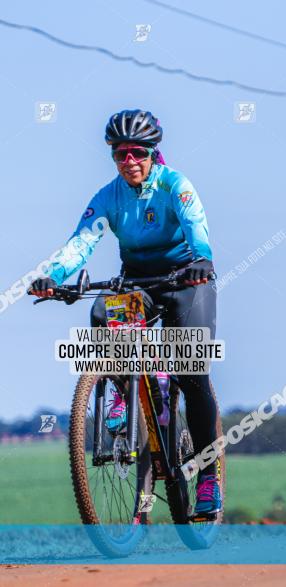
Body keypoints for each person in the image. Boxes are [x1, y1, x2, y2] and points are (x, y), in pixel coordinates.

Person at [28, 109, 222, 515]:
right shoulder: (108, 197)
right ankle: (123, 390)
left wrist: (202, 260)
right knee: (102, 312)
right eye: (120, 154)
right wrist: (51, 275)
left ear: (153, 153)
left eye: (138, 152)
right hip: (136, 279)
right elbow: (80, 242)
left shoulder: (175, 185)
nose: (129, 161)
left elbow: (196, 226)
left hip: (185, 277)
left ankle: (207, 478)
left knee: (191, 370)